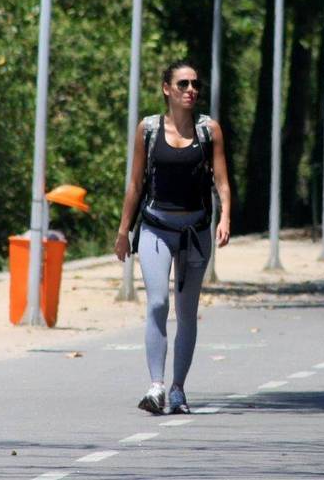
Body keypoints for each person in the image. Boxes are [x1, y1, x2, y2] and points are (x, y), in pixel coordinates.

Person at [114, 61, 231, 415]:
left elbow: (222, 181)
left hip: (195, 231)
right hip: (155, 227)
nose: (190, 90)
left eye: (195, 84)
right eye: (183, 84)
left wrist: (226, 216)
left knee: (186, 312)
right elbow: (135, 185)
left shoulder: (209, 130)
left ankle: (178, 388)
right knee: (157, 304)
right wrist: (123, 232)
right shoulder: (148, 129)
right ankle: (156, 387)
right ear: (167, 89)